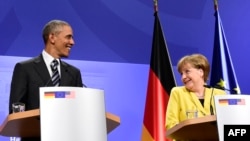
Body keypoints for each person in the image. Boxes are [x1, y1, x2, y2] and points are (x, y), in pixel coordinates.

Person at [9, 19, 84, 141]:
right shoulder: (25, 68)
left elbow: (79, 110)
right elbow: (16, 110)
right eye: (68, 37)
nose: (72, 42)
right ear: (52, 37)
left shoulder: (73, 73)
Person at [165, 53, 226, 130]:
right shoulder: (177, 93)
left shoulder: (219, 94)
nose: (183, 77)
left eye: (187, 71)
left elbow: (227, 122)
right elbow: (171, 124)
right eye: (181, 74)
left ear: (201, 72)